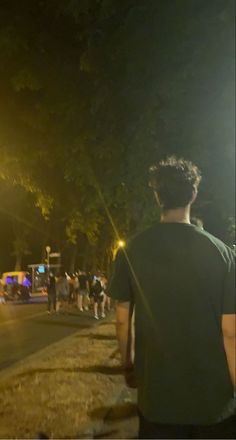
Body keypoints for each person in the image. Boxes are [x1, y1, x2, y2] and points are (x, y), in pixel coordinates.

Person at [109, 156, 235, 439]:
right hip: (213, 403)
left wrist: (128, 366)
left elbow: (121, 319)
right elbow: (230, 332)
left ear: (157, 196)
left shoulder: (131, 250)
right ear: (193, 194)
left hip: (158, 400)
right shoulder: (224, 255)